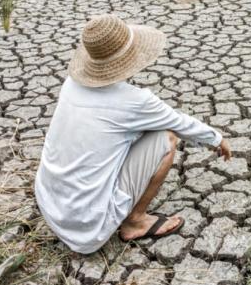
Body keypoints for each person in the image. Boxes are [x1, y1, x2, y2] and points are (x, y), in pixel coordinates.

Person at [34, 14, 231, 254]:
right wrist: (217, 139)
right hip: (87, 229)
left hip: (50, 205)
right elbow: (179, 124)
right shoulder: (134, 101)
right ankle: (135, 221)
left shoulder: (70, 84)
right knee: (166, 137)